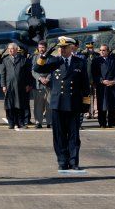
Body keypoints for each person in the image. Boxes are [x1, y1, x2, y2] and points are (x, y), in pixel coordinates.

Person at [34, 36, 90, 170]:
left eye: (64, 48)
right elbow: (38, 68)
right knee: (59, 135)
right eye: (60, 48)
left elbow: (85, 86)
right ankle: (62, 161)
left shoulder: (80, 63)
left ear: (71, 48)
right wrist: (45, 55)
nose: (62, 50)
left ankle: (74, 161)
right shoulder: (55, 61)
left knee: (74, 135)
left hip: (73, 104)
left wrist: (86, 105)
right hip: (57, 104)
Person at [0, 43, 33, 129]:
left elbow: (28, 74)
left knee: (20, 105)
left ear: (16, 49)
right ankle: (11, 122)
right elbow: (3, 73)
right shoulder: (5, 60)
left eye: (12, 49)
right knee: (9, 105)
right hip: (9, 86)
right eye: (9, 49)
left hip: (20, 86)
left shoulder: (23, 60)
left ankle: (20, 122)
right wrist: (3, 85)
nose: (10, 50)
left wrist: (28, 84)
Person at [91, 44, 115, 128]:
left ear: (108, 51)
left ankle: (112, 123)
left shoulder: (114, 60)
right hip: (102, 86)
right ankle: (102, 123)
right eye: (100, 50)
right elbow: (94, 74)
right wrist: (102, 81)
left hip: (112, 86)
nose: (102, 52)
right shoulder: (96, 61)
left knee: (112, 106)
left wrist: (114, 81)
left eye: (104, 50)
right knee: (101, 106)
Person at [31, 41, 51, 129]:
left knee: (49, 104)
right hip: (38, 84)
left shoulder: (51, 58)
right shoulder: (35, 58)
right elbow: (33, 71)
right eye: (40, 47)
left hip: (49, 84)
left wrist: (48, 78)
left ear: (46, 48)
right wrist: (40, 78)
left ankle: (49, 122)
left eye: (43, 47)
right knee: (38, 105)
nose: (41, 49)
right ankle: (38, 122)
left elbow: (53, 70)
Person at [82, 42, 100, 120]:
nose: (90, 49)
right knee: (87, 97)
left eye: (91, 47)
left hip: (95, 79)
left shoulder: (97, 55)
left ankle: (96, 111)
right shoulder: (83, 56)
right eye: (88, 48)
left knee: (96, 96)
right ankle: (87, 111)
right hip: (86, 79)